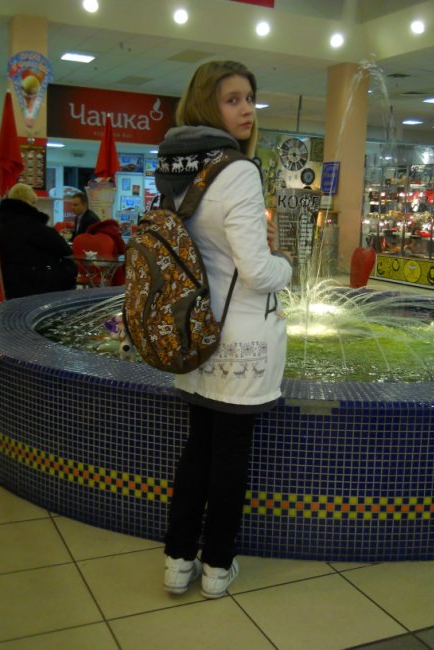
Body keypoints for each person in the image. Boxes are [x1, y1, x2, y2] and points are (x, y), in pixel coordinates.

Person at [154, 60, 293, 599]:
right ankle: (216, 567)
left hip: (192, 327)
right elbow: (257, 272)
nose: (247, 109)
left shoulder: (176, 166)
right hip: (239, 337)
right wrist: (286, 265)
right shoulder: (237, 170)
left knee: (197, 450)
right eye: (232, 99)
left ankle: (177, 560)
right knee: (230, 456)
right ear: (206, 104)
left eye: (250, 98)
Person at [0, 183, 77, 298]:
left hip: (8, 284)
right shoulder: (32, 226)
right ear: (28, 202)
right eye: (34, 203)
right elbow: (63, 248)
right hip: (32, 285)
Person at [86, 218, 126, 285]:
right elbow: (122, 249)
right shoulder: (115, 231)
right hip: (111, 269)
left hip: (90, 269)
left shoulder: (93, 232)